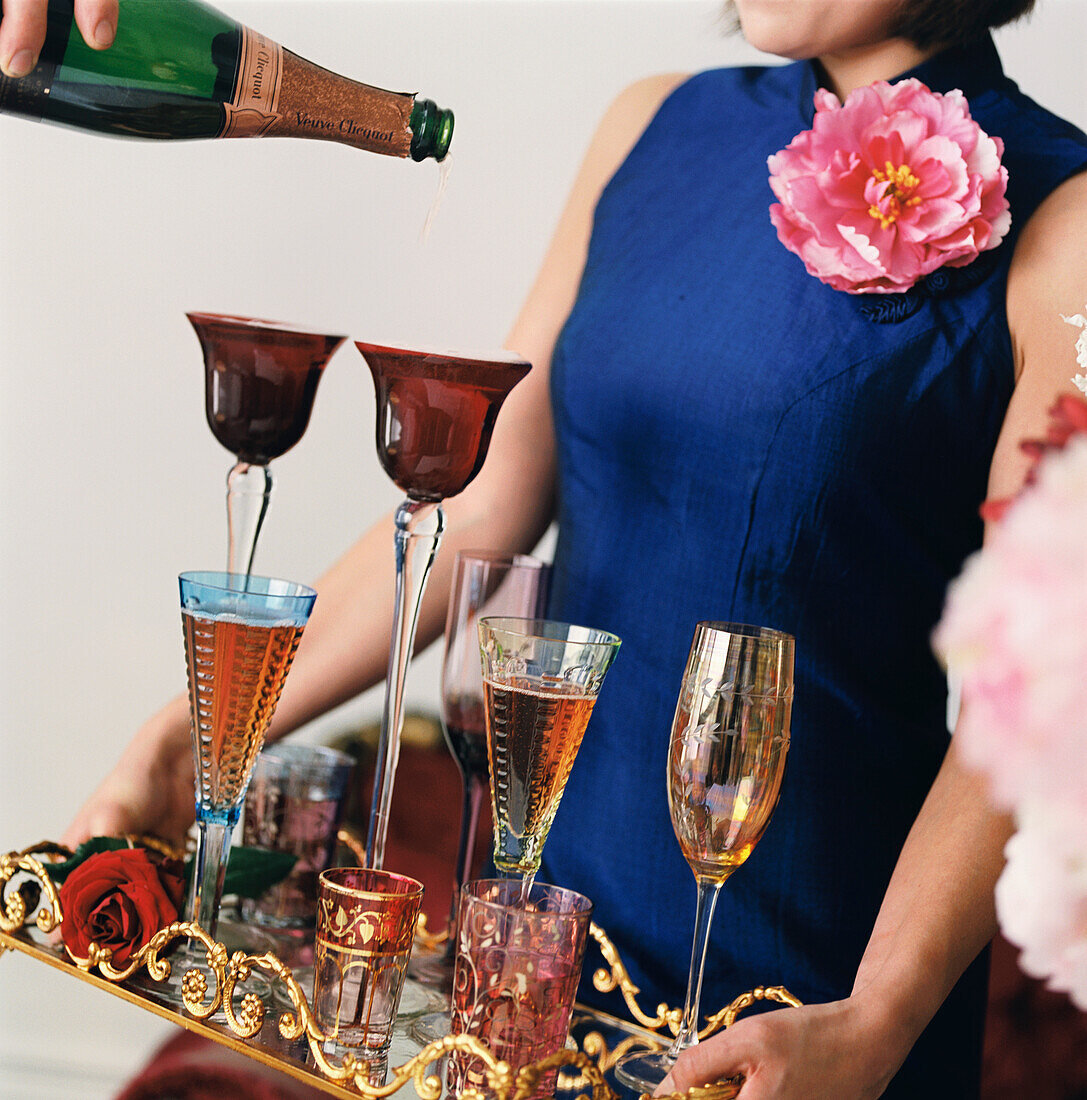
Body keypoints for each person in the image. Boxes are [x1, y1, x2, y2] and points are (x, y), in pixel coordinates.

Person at [21, 0, 1084, 1095]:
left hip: (812, 1003)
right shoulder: (652, 125)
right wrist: (194, 740)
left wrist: (879, 1015)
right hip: (530, 958)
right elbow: (474, 499)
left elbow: (1043, 675)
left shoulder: (1067, 213)